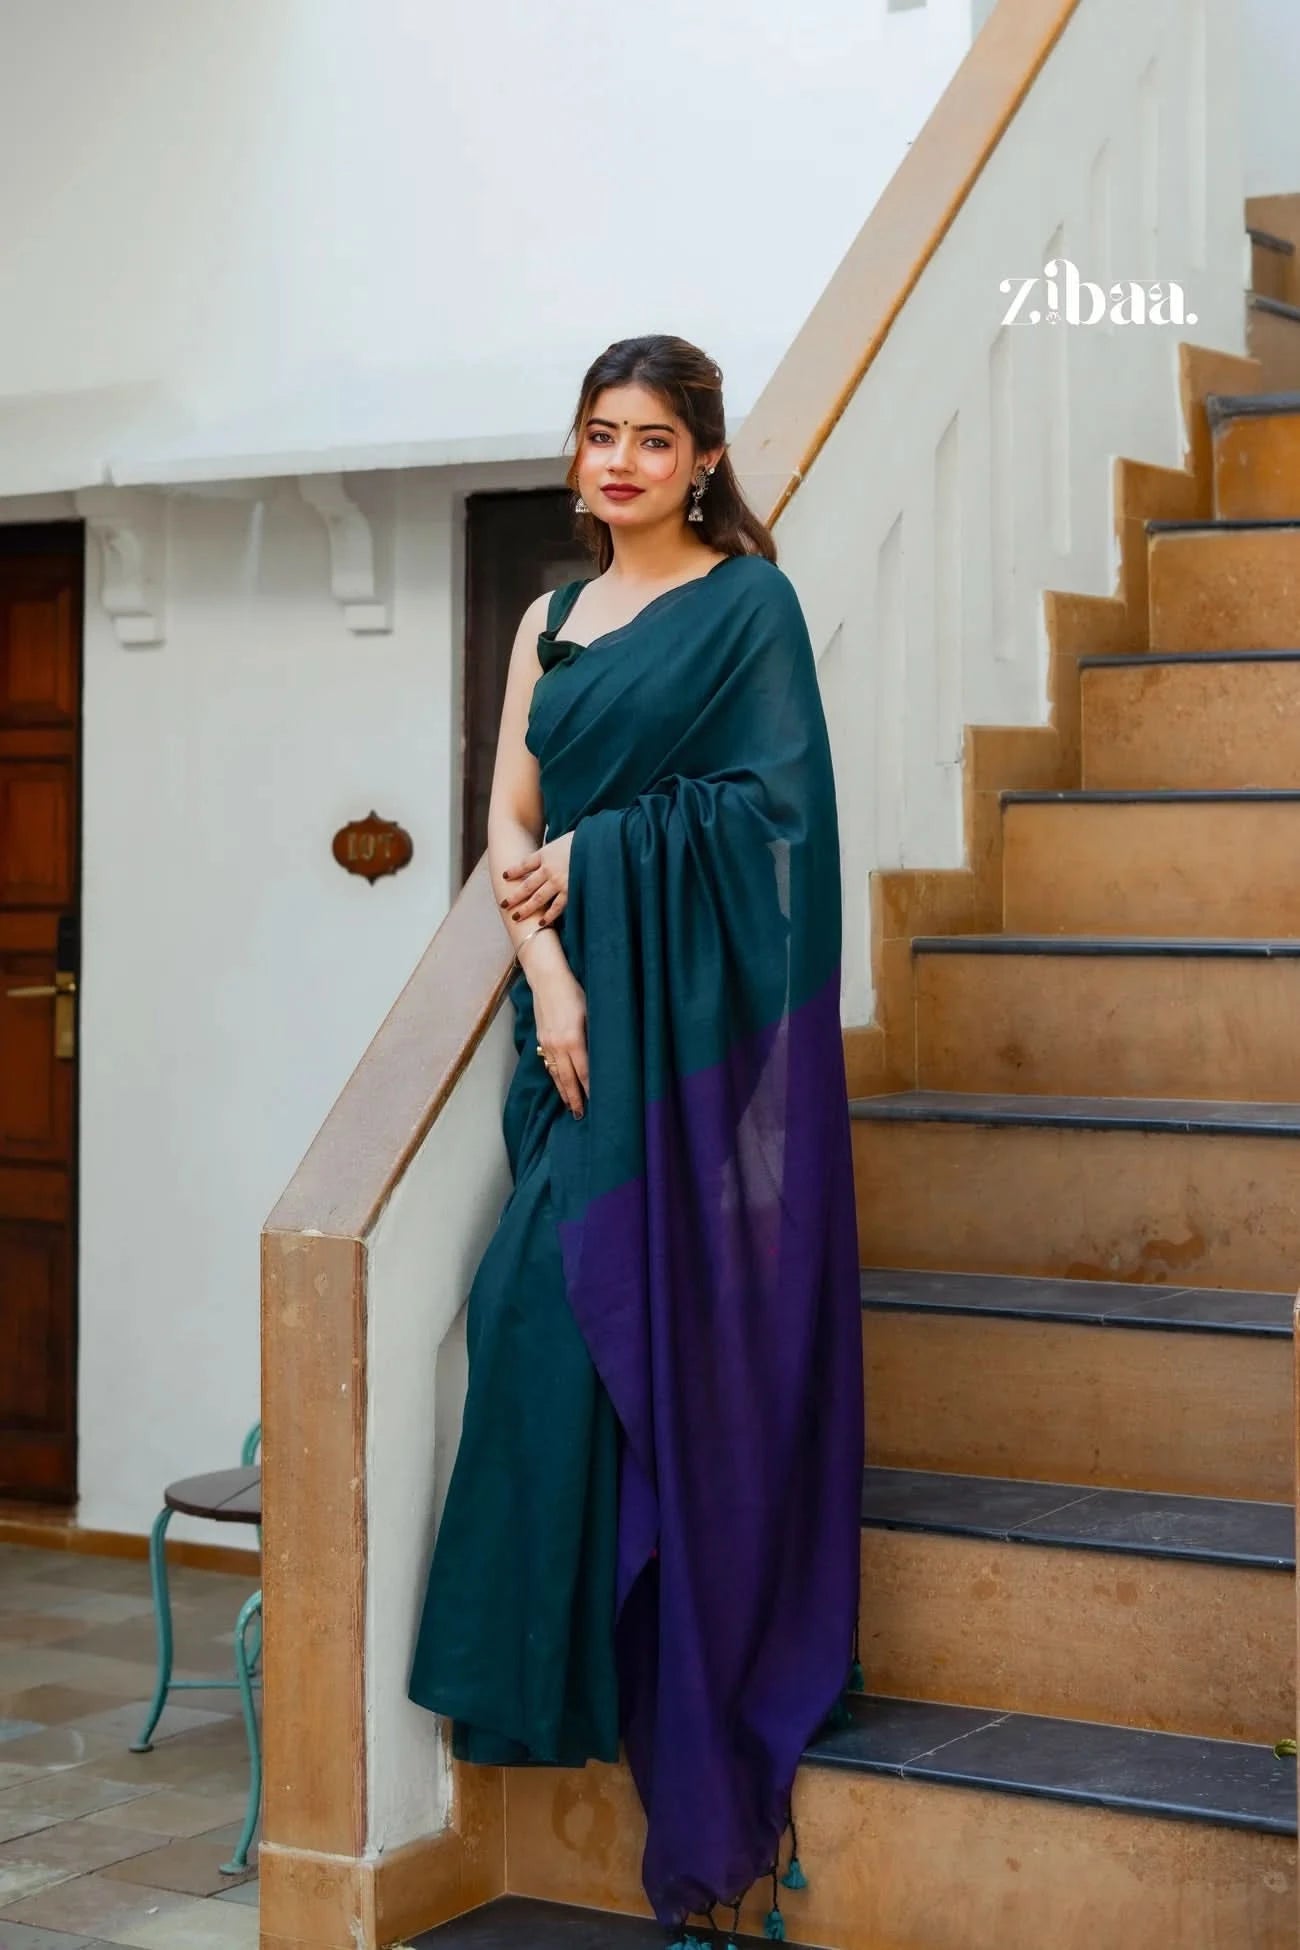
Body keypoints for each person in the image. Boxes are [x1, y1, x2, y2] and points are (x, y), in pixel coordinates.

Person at [408, 334, 864, 1947]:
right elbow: (505, 818)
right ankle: (559, 1679)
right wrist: (546, 980)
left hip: (697, 1039)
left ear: (704, 463)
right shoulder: (546, 617)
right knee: (539, 1320)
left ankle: (698, 1660)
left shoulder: (750, 610)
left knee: (654, 1343)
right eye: (599, 436)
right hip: (588, 1030)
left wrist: (605, 857)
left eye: (651, 442)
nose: (617, 465)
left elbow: (774, 827)